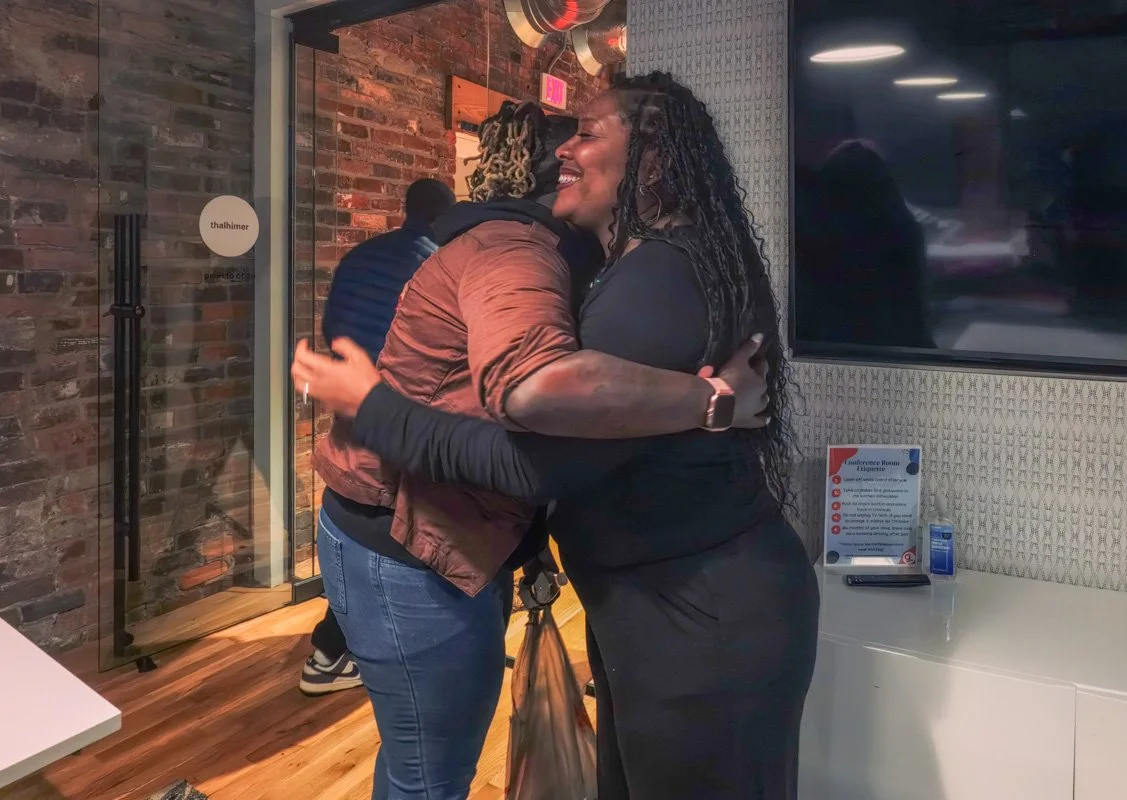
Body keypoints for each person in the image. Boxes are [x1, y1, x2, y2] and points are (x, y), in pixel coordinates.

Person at [294, 72, 819, 800]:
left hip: (699, 614)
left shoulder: (655, 275)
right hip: (676, 601)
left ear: (654, 160)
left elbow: (535, 456)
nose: (566, 148)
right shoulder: (642, 260)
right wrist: (712, 404)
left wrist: (372, 407)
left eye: (587, 132)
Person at [298, 177, 455, 697]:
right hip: (401, 418)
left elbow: (333, 328)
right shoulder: (438, 266)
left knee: (361, 531)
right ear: (444, 215)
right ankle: (356, 653)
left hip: (354, 417)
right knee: (400, 538)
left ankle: (332, 649)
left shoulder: (361, 257)